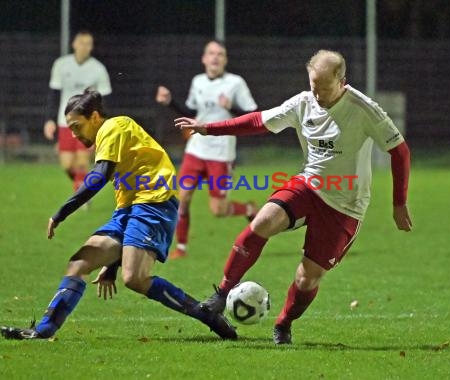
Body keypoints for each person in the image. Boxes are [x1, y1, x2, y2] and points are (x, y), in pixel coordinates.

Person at [174, 50, 412, 344]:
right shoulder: (303, 103)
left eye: (324, 87)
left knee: (306, 278)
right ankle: (220, 295)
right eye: (314, 85)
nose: (318, 93)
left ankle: (283, 324)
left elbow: (399, 151)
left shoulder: (364, 109)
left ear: (342, 81)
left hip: (345, 204)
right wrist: (209, 129)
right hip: (308, 185)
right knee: (262, 222)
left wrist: (399, 203)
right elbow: (259, 122)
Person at [0, 90, 237, 341]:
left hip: (154, 202)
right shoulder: (107, 136)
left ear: (94, 117)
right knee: (80, 264)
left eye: (76, 126)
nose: (73, 134)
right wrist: (111, 264)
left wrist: (61, 213)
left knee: (135, 278)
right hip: (129, 209)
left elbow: (99, 176)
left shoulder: (113, 127)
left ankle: (207, 315)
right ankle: (42, 331)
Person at [155, 40, 259, 259]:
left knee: (218, 210)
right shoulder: (198, 81)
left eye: (220, 54)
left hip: (221, 154)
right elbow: (192, 113)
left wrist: (229, 107)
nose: (215, 57)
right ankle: (181, 248)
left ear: (225, 59)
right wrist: (170, 102)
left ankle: (249, 210)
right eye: (211, 53)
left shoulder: (235, 83)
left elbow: (254, 115)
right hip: (196, 149)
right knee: (181, 200)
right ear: (204, 58)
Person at [44, 30, 112, 195]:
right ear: (74, 44)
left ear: (91, 47)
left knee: (82, 161)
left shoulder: (98, 69)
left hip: (87, 123)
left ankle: (83, 194)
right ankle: (81, 185)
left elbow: (104, 100)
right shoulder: (61, 64)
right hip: (65, 121)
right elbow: (54, 94)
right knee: (67, 165)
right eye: (81, 43)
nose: (84, 47)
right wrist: (49, 119)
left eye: (88, 43)